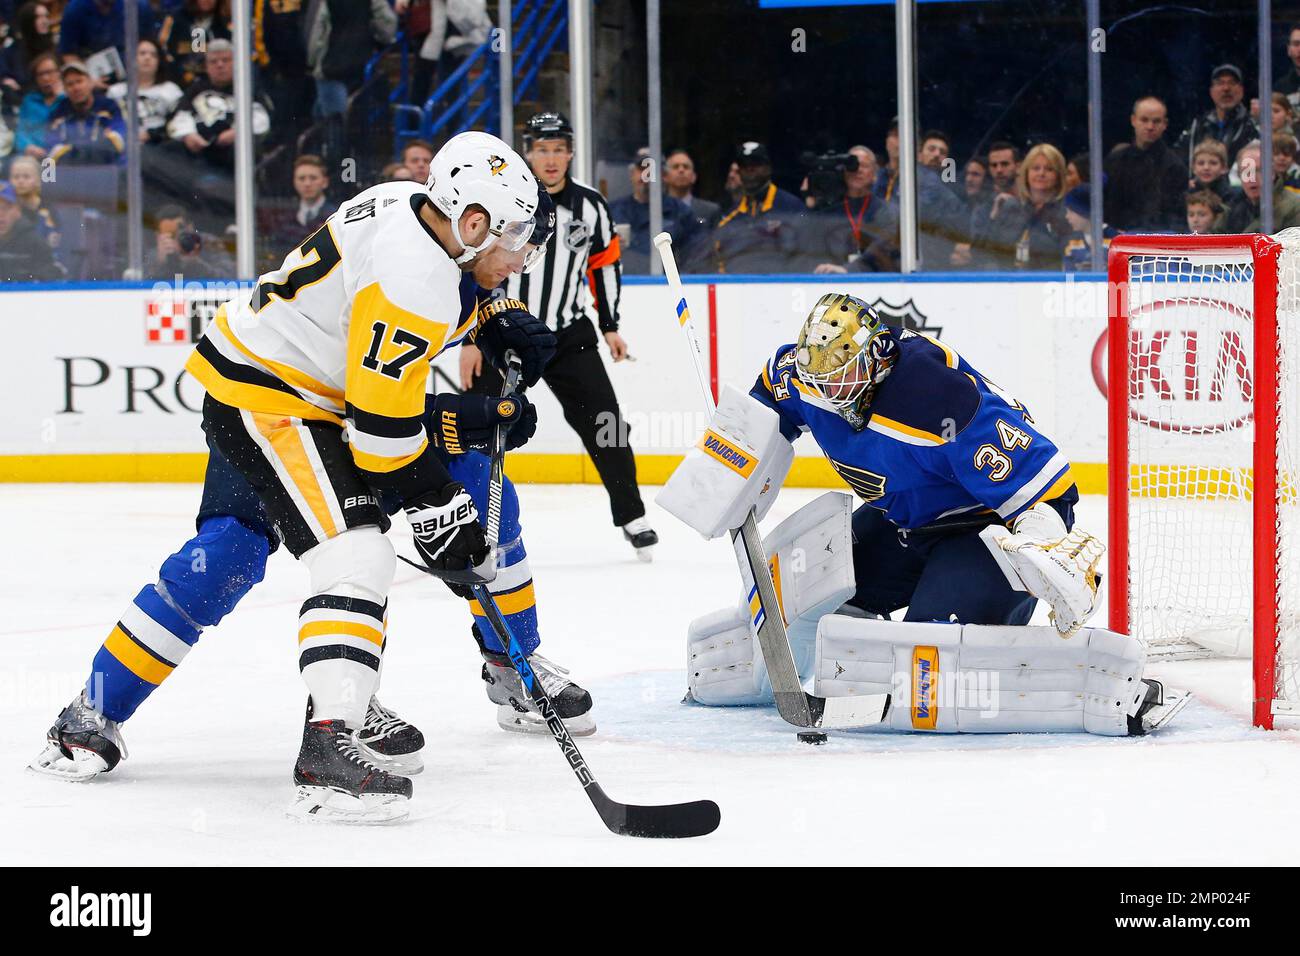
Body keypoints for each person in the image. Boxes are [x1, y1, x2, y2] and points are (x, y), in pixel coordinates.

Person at [32, 132, 560, 822]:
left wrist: (490, 312)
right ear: (471, 222)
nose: (521, 257)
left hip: (264, 375)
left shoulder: (404, 200)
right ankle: (329, 748)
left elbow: (367, 336)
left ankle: (91, 715)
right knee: (358, 553)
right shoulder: (416, 283)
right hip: (277, 404)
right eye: (513, 238)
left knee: (230, 549)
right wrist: (439, 503)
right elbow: (379, 434)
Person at [672, 293, 1176, 737]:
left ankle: (1090, 684)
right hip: (903, 525)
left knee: (928, 660)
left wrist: (1039, 545)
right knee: (811, 595)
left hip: (982, 531)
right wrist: (724, 472)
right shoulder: (798, 375)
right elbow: (758, 425)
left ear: (876, 356)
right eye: (819, 380)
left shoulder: (935, 398)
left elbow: (1048, 486)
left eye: (842, 377)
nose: (829, 393)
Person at [460, 111, 659, 559]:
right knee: (476, 426)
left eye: (559, 149)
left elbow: (604, 264)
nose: (551, 159)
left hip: (569, 335)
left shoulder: (590, 206)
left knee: (606, 423)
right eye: (542, 149)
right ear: (528, 152)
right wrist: (471, 340)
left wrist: (610, 326)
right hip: (500, 332)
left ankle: (632, 515)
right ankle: (468, 523)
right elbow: (473, 262)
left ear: (571, 153)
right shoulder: (503, 201)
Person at [698, 139, 805, 273]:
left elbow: (806, 253)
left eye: (756, 163)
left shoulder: (791, 207)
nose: (750, 169)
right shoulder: (729, 218)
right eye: (744, 165)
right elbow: (718, 261)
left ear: (768, 168)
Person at [973, 142, 1070, 271]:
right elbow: (984, 254)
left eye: (1049, 169)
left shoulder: (1067, 214)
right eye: (1036, 168)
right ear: (1026, 173)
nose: (1041, 173)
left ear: (1058, 176)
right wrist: (993, 217)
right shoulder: (1011, 209)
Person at [1103, 95, 1187, 231]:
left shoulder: (1174, 167)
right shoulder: (1115, 160)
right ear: (1133, 120)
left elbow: (1173, 216)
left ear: (1165, 124)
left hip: (1154, 242)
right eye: (1144, 120)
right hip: (1114, 241)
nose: (1150, 126)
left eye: (1156, 121)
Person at [608, 146, 697, 274]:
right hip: (624, 285)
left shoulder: (681, 212)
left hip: (667, 287)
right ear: (632, 174)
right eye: (641, 168)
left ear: (664, 176)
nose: (646, 174)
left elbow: (694, 257)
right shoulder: (613, 211)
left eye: (652, 169)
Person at [1175, 64, 1259, 170]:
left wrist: (1241, 185)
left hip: (1241, 186)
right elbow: (1179, 159)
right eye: (1220, 83)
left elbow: (1252, 171)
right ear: (1211, 92)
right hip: (1202, 186)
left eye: (1232, 83)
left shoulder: (1253, 126)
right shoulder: (1197, 126)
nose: (1226, 88)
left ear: (1241, 90)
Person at [46, 59, 126, 166]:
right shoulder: (58, 113)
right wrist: (98, 142)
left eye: (79, 81)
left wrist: (73, 147)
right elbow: (53, 153)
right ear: (64, 89)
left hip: (108, 169)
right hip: (71, 174)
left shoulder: (109, 107)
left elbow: (118, 140)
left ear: (90, 82)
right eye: (70, 84)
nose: (76, 88)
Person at [107, 37, 183, 144]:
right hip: (124, 146)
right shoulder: (116, 91)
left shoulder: (170, 90)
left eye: (153, 55)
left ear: (159, 62)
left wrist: (154, 134)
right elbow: (107, 124)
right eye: (142, 53)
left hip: (160, 148)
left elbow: (180, 123)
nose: (147, 58)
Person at [1223, 140, 1300, 232]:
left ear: (1272, 173)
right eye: (1246, 171)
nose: (1252, 178)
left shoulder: (1294, 208)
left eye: (1259, 170)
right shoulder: (1231, 207)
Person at [57, 0, 157, 64]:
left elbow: (150, 45)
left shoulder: (139, 6)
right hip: (92, 74)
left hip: (135, 71)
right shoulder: (75, 9)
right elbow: (68, 54)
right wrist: (88, 79)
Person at [0, 179, 62, 280]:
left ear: (18, 211)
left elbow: (51, 279)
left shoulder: (34, 243)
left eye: (6, 208)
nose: (0, 214)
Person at [15, 50, 60, 158]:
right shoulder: (29, 101)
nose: (45, 78)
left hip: (60, 158)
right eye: (40, 74)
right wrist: (27, 146)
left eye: (49, 72)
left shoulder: (67, 100)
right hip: (31, 156)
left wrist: (60, 95)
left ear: (59, 73)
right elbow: (20, 132)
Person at [8, 153, 58, 250]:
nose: (20, 181)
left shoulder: (49, 210)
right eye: (16, 177)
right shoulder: (6, 210)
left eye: (26, 177)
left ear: (39, 181)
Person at [1060, 183, 1114, 271]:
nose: (1067, 216)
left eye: (1071, 211)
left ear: (1084, 212)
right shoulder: (1071, 243)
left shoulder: (1115, 241)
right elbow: (1068, 278)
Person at [663, 147, 719, 230]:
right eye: (675, 167)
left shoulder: (710, 211)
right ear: (665, 176)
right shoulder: (656, 210)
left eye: (686, 167)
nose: (681, 170)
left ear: (694, 177)